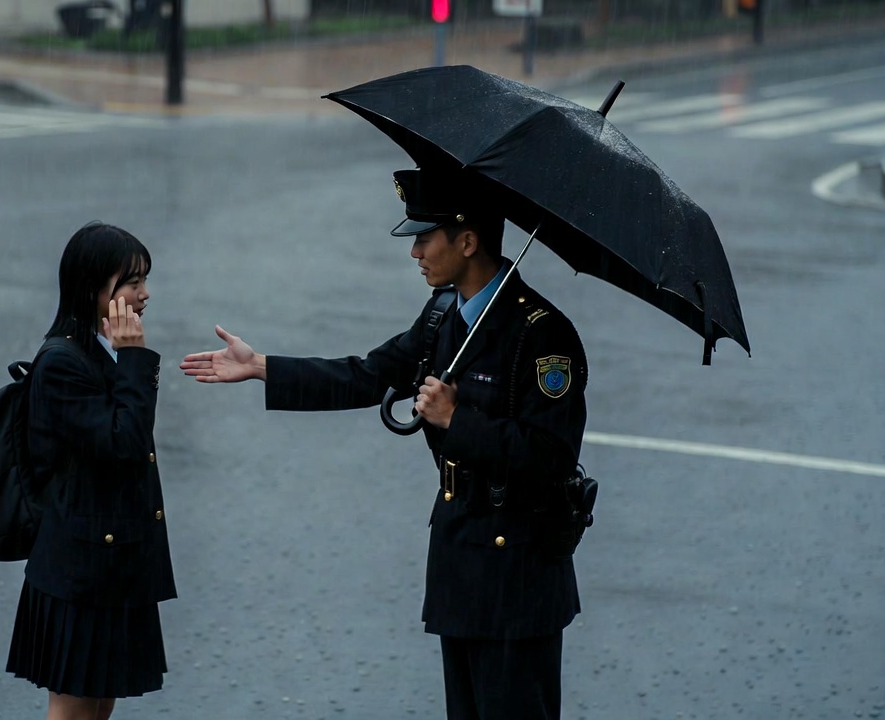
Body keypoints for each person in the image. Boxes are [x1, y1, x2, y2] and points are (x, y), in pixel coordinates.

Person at [179, 167, 589, 720]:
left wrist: (455, 418)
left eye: (426, 236)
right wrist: (262, 368)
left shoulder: (542, 335)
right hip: (461, 564)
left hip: (518, 576)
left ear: (467, 242)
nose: (415, 250)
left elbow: (551, 457)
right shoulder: (444, 313)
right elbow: (368, 374)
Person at [7, 222, 175, 720]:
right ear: (92, 288)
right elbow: (125, 443)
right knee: (73, 709)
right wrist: (135, 358)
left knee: (100, 706)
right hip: (79, 570)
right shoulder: (63, 362)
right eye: (132, 282)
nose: (144, 295)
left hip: (113, 563)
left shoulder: (97, 350)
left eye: (144, 281)